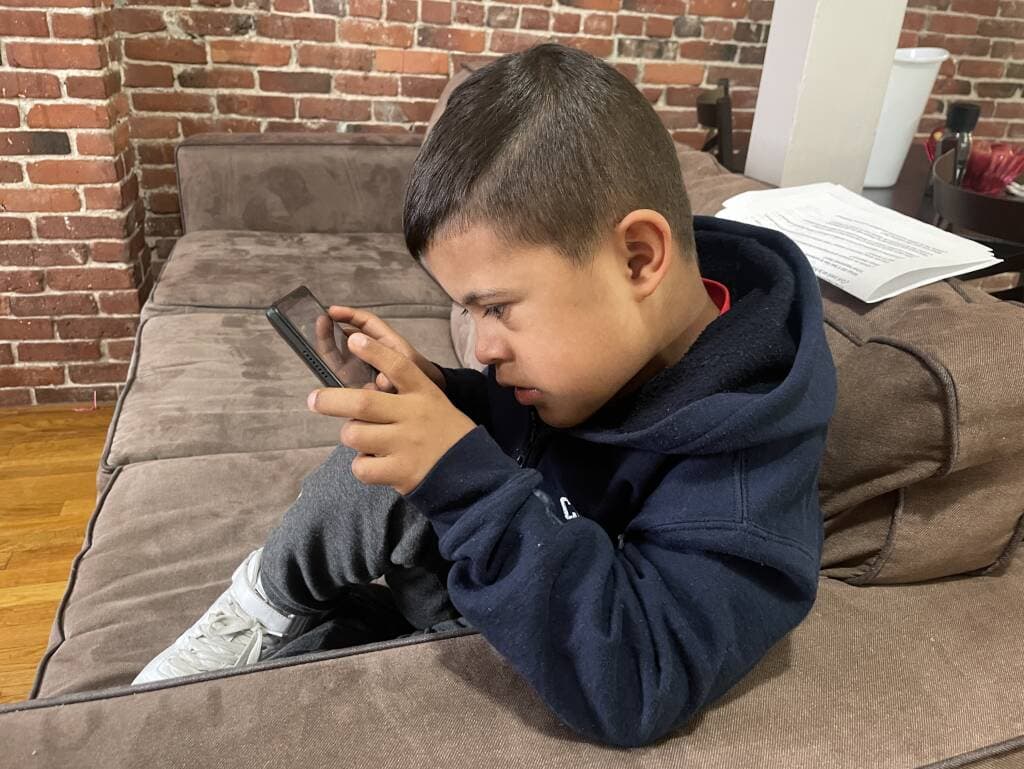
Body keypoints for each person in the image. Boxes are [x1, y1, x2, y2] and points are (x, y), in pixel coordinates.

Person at [131, 42, 837, 749]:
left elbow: (639, 680)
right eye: (467, 313)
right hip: (487, 566)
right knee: (380, 456)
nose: (483, 345)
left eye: (497, 307)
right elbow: (520, 429)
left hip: (552, 630)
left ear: (639, 258)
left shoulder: (744, 481)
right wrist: (443, 391)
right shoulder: (595, 353)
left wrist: (460, 480)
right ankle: (263, 601)